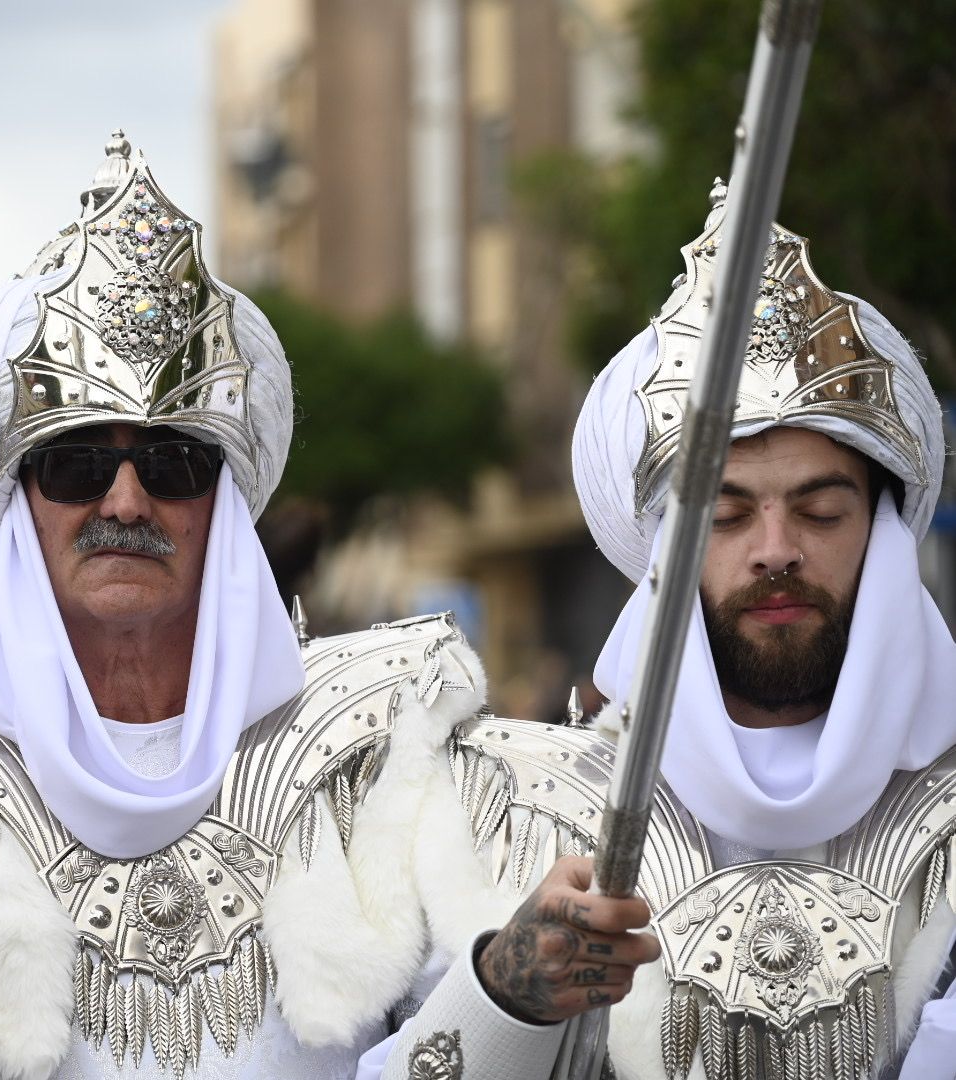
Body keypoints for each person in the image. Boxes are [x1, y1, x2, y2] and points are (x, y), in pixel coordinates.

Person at [0, 131, 649, 1079]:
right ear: (19, 501)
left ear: (221, 503)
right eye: (77, 464)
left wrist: (507, 987)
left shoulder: (376, 749)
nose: (126, 502)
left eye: (174, 463)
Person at [378, 183, 956, 1077]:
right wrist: (506, 990)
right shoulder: (517, 811)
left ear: (879, 536)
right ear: (662, 554)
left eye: (821, 510)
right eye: (724, 516)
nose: (775, 551)